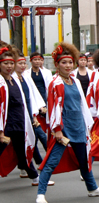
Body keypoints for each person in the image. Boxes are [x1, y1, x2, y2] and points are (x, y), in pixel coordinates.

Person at [36, 42, 99, 203]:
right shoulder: (55, 83)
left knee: (84, 161)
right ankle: (40, 194)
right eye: (64, 62)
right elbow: (54, 108)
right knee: (51, 161)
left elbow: (82, 105)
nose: (68, 65)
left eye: (70, 62)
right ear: (57, 64)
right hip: (63, 129)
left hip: (79, 127)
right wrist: (57, 130)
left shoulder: (74, 81)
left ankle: (92, 188)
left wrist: (87, 126)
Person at [0, 43, 53, 187]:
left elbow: (26, 100)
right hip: (5, 123)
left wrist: (32, 117)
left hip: (18, 121)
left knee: (22, 151)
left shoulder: (15, 79)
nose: (9, 66)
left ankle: (35, 177)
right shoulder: (0, 81)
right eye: (6, 63)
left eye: (11, 63)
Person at [14, 51, 48, 177]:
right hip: (18, 116)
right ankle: (35, 166)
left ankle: (31, 167)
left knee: (33, 138)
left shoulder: (25, 77)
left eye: (24, 63)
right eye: (19, 63)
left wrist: (38, 110)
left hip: (30, 113)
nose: (23, 66)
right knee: (25, 141)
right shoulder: (11, 79)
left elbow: (32, 95)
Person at [24, 52, 52, 132]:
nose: (37, 61)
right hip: (32, 97)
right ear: (31, 61)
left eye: (39, 60)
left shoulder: (47, 72)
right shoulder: (26, 74)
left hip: (44, 96)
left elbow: (49, 86)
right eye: (35, 60)